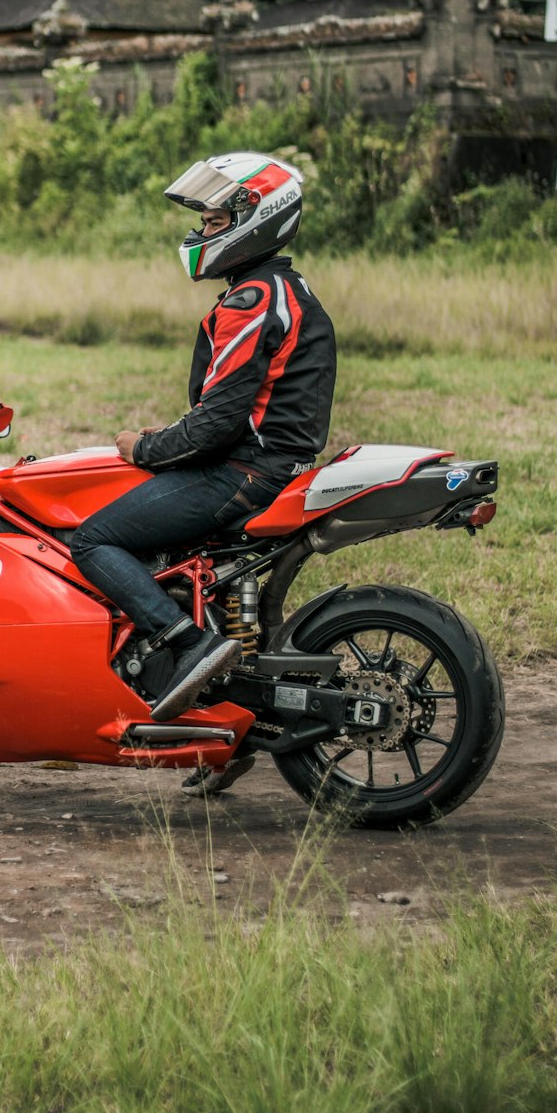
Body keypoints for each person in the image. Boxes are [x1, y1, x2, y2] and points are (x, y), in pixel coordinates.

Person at [71, 152, 337, 757]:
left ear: (255, 220)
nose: (202, 233)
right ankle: (227, 729)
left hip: (243, 471)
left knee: (91, 540)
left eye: (216, 222)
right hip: (278, 467)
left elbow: (216, 423)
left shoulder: (249, 301)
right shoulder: (284, 287)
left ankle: (186, 645)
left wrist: (146, 446)